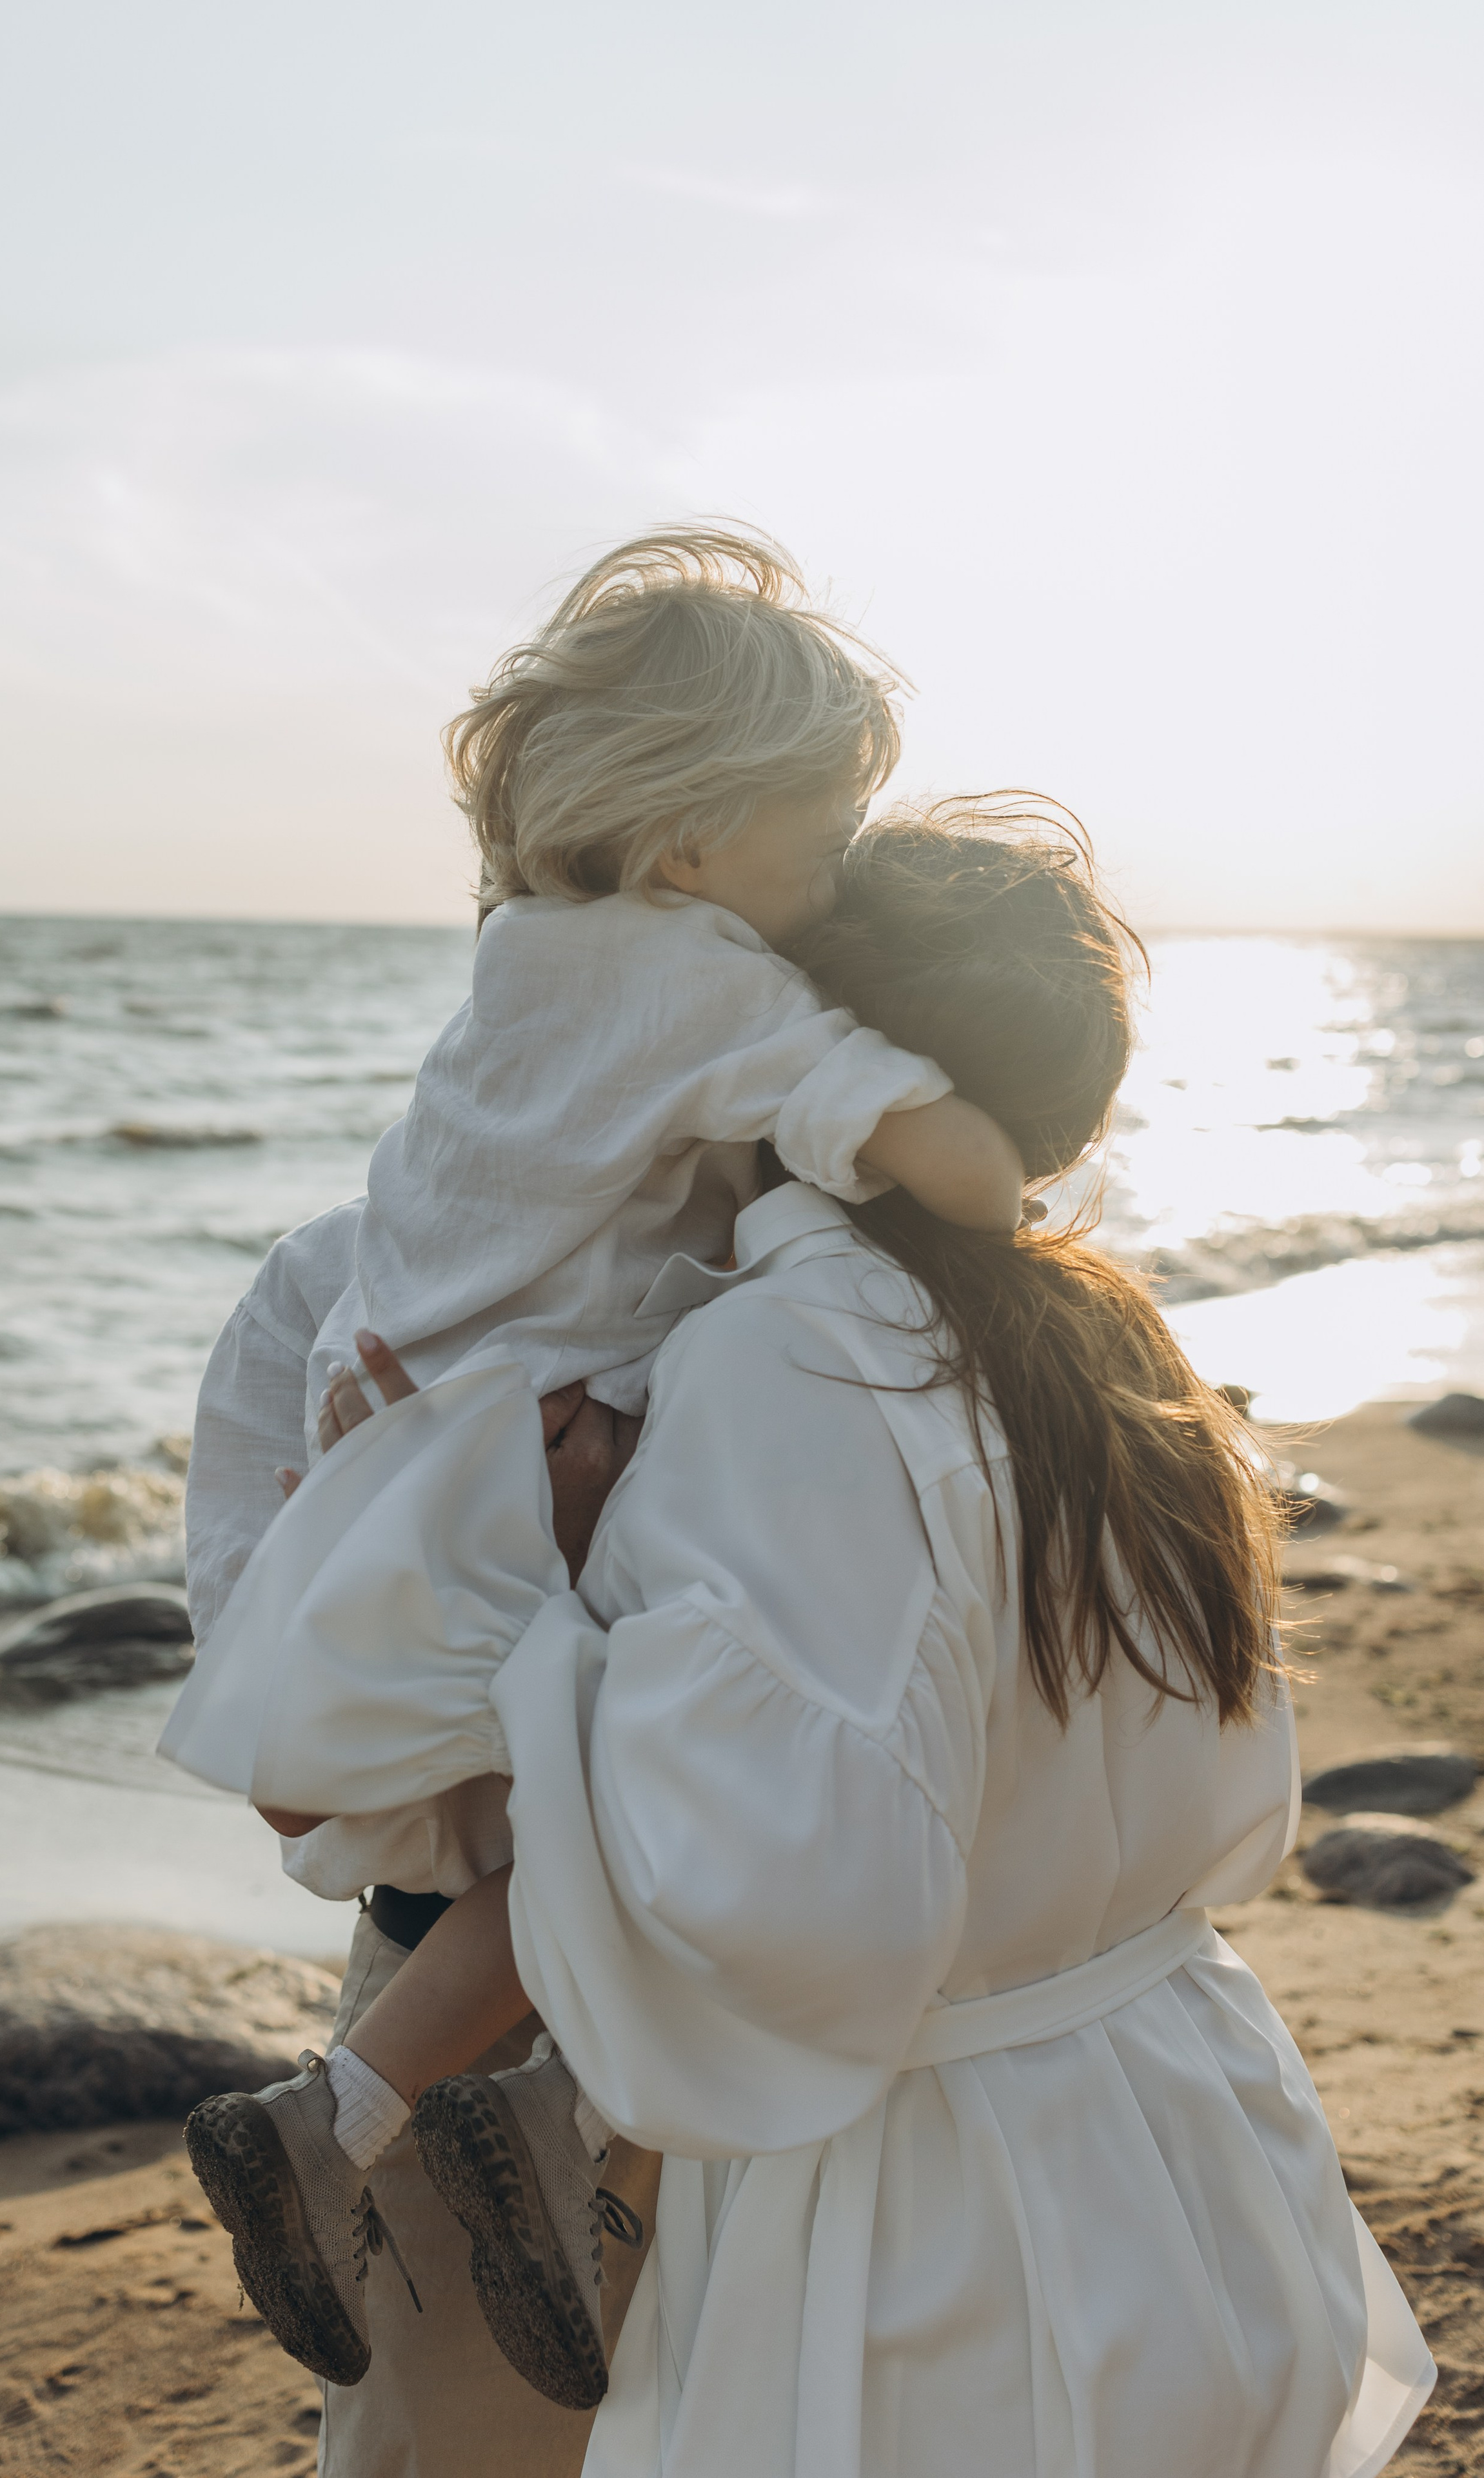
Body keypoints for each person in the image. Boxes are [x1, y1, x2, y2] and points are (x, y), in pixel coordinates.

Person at [191, 803, 1434, 2478]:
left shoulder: (809, 1337)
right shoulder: (1104, 1346)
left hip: (874, 2124)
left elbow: (796, 1879)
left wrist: (498, 1578)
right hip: (1168, 2114)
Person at [163, 528, 1029, 2391]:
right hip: (504, 1950)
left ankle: (389, 2117)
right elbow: (302, 1787)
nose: (827, 889)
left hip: (678, 1969)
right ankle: (361, 2115)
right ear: (694, 847)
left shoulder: (723, 1245)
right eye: (821, 839)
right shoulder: (366, 1291)